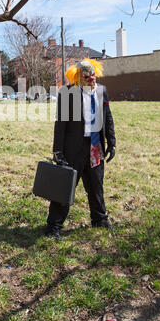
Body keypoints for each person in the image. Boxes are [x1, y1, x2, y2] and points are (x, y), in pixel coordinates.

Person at [46, 58, 116, 241]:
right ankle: (53, 227)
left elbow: (108, 117)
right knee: (65, 187)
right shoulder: (67, 93)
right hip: (73, 149)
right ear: (78, 77)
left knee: (96, 185)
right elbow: (60, 124)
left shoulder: (101, 91)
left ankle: (99, 219)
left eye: (93, 75)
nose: (91, 79)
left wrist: (112, 142)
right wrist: (57, 151)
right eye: (87, 76)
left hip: (95, 147)